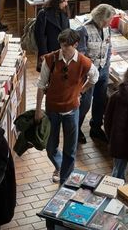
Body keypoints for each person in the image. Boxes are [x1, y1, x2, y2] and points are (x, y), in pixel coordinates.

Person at [35, 29, 99, 184]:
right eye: (61, 46)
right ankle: (60, 166)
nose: (62, 50)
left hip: (72, 110)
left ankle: (65, 178)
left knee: (70, 150)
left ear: (75, 44)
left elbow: (94, 78)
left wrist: (81, 91)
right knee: (50, 148)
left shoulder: (84, 62)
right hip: (52, 110)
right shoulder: (50, 59)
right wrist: (38, 110)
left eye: (66, 47)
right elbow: (41, 85)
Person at [77, 4, 115, 144]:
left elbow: (109, 47)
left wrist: (107, 63)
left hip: (103, 70)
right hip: (88, 74)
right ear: (101, 19)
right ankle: (77, 129)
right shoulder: (83, 30)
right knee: (85, 103)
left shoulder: (107, 28)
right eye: (109, 20)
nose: (110, 23)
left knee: (100, 100)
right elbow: (80, 55)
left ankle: (96, 128)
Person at [34, 0, 70, 71]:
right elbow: (39, 35)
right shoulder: (43, 14)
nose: (66, 4)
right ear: (58, 1)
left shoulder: (64, 11)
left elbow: (68, 30)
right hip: (49, 49)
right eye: (64, 1)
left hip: (62, 49)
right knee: (48, 73)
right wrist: (44, 53)